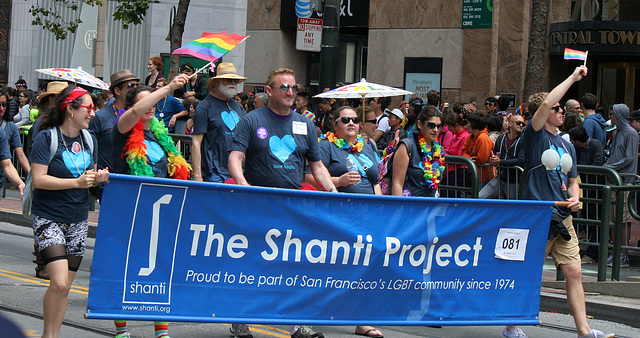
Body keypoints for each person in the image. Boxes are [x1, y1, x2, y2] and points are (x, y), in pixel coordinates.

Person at [229, 68, 336, 338]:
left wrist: (333, 191)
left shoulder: (305, 124)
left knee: (294, 264)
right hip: (257, 205)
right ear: (269, 91)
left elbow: (318, 165)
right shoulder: (251, 120)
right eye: (284, 88)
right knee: (252, 262)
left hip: (293, 207)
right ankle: (240, 318)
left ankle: (297, 324)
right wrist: (243, 185)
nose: (290, 93)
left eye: (293, 88)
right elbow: (235, 158)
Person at [520, 65, 613, 338]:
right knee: (531, 273)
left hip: (563, 217)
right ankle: (512, 324)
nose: (562, 112)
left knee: (574, 272)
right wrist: (573, 77)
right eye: (558, 108)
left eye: (562, 109)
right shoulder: (535, 135)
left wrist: (575, 198)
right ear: (545, 112)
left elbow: (573, 180)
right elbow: (548, 100)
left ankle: (584, 331)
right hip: (541, 215)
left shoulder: (567, 144)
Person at [110, 76, 191, 338]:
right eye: (146, 100)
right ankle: (122, 329)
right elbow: (133, 113)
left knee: (162, 268)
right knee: (127, 268)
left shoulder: (159, 133)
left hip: (161, 211)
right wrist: (167, 89)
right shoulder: (122, 128)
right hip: (130, 210)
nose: (152, 105)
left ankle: (161, 331)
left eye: (154, 101)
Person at [30, 85, 108, 337]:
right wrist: (76, 182)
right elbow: (39, 179)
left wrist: (99, 177)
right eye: (88, 108)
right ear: (70, 109)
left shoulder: (89, 139)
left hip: (77, 218)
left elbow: (89, 176)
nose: (92, 114)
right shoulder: (46, 138)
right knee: (59, 282)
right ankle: (48, 335)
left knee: (65, 288)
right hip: (49, 217)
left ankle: (52, 334)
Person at [305, 106, 383, 338]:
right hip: (338, 216)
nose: (351, 123)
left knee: (365, 266)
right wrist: (337, 180)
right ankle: (308, 314)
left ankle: (361, 320)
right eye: (345, 119)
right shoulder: (325, 147)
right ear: (334, 124)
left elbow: (375, 181)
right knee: (330, 265)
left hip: (368, 215)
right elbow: (306, 175)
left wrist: (381, 208)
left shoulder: (367, 148)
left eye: (355, 120)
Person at [191, 62, 247, 183]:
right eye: (228, 80)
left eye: (235, 81)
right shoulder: (204, 106)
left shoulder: (238, 107)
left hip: (237, 173)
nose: (232, 84)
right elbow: (196, 143)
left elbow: (243, 142)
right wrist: (198, 176)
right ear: (217, 82)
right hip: (214, 174)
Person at [89, 69, 140, 200]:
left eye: (136, 85)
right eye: (130, 86)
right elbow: (91, 150)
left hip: (134, 181)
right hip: (109, 183)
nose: (135, 89)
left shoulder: (141, 116)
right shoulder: (100, 117)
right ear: (117, 91)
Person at [604, 103, 638, 268]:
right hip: (614, 179)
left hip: (624, 180)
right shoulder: (617, 133)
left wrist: (610, 167)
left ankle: (623, 253)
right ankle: (614, 251)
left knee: (623, 219)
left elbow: (629, 157)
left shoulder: (631, 133)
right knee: (612, 218)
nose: (611, 116)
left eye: (613, 113)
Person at [391, 107, 445, 197]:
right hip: (409, 205)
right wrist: (398, 208)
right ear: (420, 124)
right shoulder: (407, 146)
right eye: (431, 125)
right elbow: (397, 183)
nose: (435, 130)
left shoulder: (439, 150)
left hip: (430, 206)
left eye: (439, 126)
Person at [479, 113, 525, 199]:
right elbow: (495, 154)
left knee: (513, 207)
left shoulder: (523, 140)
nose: (521, 125)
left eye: (523, 124)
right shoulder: (501, 138)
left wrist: (500, 161)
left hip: (514, 182)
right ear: (510, 123)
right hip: (500, 178)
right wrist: (492, 160)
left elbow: (521, 160)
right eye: (518, 123)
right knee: (480, 197)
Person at [462, 113, 495, 187]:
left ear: (475, 126)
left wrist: (470, 159)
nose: (466, 126)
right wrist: (469, 159)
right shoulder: (470, 136)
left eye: (468, 123)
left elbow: (482, 158)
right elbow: (464, 151)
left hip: (483, 177)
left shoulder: (483, 138)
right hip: (474, 174)